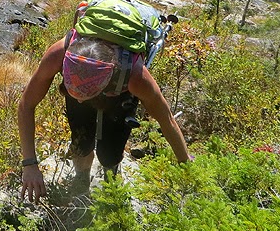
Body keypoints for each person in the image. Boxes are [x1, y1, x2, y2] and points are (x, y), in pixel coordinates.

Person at [17, 32, 190, 202]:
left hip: (118, 93)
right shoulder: (57, 55)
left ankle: (111, 182)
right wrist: (30, 164)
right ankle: (81, 181)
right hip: (92, 84)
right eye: (72, 92)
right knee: (81, 142)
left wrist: (186, 163)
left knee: (110, 152)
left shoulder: (135, 78)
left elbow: (166, 119)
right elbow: (26, 105)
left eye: (84, 95)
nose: (77, 98)